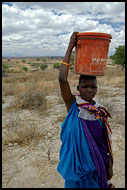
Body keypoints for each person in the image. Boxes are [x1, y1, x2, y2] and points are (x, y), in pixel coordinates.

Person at [57, 32, 114, 188]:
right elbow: (62, 79)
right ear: (78, 88)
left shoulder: (99, 111)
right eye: (85, 87)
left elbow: (104, 141)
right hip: (78, 167)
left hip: (98, 163)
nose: (89, 90)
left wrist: (109, 162)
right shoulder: (73, 106)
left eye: (93, 87)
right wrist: (71, 46)